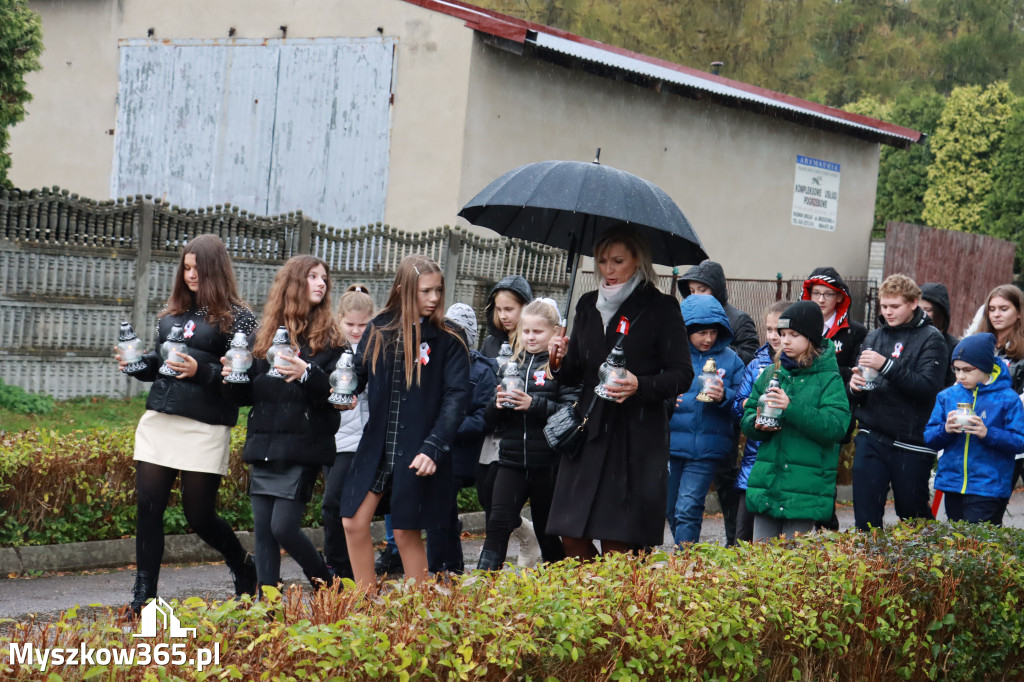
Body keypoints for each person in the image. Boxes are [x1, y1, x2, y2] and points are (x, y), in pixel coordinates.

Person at [117, 234, 257, 615]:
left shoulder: (239, 318)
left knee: (199, 516)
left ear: (215, 268)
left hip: (205, 426)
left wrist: (202, 371)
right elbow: (161, 365)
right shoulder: (171, 313)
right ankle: (143, 596)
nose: (189, 274)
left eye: (197, 267)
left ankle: (243, 565)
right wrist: (137, 364)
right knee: (148, 506)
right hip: (160, 421)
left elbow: (245, 383)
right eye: (186, 267)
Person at [547, 226, 692, 558]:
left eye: (617, 261)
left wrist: (640, 384)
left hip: (635, 436)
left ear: (637, 260)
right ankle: (594, 603)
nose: (608, 270)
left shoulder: (661, 308)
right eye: (601, 261)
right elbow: (575, 373)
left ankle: (619, 605)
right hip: (588, 430)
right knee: (570, 534)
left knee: (617, 543)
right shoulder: (586, 305)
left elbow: (683, 375)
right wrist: (557, 360)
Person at [340, 255, 470, 589]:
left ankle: (418, 614)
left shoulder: (449, 338)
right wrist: (341, 390)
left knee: (405, 530)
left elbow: (457, 399)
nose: (435, 298)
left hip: (419, 449)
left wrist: (434, 447)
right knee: (353, 522)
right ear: (403, 290)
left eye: (438, 290)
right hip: (379, 446)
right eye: (426, 291)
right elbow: (355, 376)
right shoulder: (379, 328)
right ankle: (365, 605)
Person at [224, 255, 344, 593]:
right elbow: (245, 396)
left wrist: (307, 373)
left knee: (283, 528)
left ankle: (327, 585)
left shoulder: (331, 341)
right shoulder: (260, 339)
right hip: (264, 446)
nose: (322, 283)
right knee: (263, 531)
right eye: (313, 277)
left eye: (324, 278)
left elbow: (337, 395)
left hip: (303, 447)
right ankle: (269, 611)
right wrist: (231, 377)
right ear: (293, 284)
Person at [478, 298, 578, 569]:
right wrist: (497, 405)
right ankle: (481, 596)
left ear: (555, 333)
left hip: (549, 464)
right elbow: (489, 419)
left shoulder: (562, 367)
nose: (530, 337)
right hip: (511, 460)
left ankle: (556, 595)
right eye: (526, 331)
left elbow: (571, 413)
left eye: (538, 331)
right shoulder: (511, 365)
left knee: (548, 534)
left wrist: (533, 405)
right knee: (497, 528)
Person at [741, 301, 850, 541]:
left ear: (811, 338)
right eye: (782, 334)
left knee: (791, 568)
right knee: (760, 563)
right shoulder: (772, 373)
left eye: (794, 335)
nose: (785, 341)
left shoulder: (829, 379)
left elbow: (836, 426)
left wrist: (791, 408)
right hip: (768, 484)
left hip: (805, 490)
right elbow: (749, 413)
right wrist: (755, 424)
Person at [849, 274, 947, 532]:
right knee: (866, 518)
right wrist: (856, 387)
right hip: (872, 434)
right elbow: (865, 381)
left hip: (912, 441)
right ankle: (870, 567)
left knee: (912, 515)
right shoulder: (874, 336)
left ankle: (925, 565)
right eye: (884, 306)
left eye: (895, 306)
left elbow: (927, 389)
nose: (888, 312)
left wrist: (887, 365)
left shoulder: (932, 338)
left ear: (914, 302)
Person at [677, 260, 758, 546]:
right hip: (678, 434)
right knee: (676, 504)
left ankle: (731, 543)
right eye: (692, 290)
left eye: (703, 289)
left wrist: (718, 356)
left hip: (715, 428)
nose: (697, 294)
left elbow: (749, 365)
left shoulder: (737, 323)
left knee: (715, 490)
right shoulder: (680, 340)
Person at [425, 302, 497, 574]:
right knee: (442, 512)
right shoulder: (436, 364)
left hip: (463, 455)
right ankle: (452, 567)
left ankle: (435, 570)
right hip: (438, 448)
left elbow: (484, 415)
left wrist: (450, 426)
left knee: (439, 510)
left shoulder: (481, 370)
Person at [667, 294, 744, 546]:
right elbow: (651, 387)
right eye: (701, 333)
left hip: (706, 450)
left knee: (688, 508)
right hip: (669, 446)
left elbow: (745, 402)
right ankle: (686, 554)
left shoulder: (732, 360)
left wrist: (725, 396)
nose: (708, 338)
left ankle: (684, 567)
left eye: (712, 332)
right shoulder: (671, 354)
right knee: (669, 508)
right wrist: (665, 400)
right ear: (685, 330)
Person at [476, 275, 542, 567]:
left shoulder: (533, 342)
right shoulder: (491, 343)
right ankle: (524, 532)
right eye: (499, 309)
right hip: (493, 428)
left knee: (498, 501)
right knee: (485, 494)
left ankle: (496, 555)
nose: (504, 316)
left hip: (520, 433)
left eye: (510, 309)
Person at [924, 333, 1024, 525]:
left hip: (988, 486)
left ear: (986, 367)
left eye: (968, 370)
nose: (961, 376)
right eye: (956, 370)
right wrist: (946, 430)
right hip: (953, 484)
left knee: (976, 544)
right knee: (960, 542)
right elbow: (929, 437)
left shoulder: (1007, 398)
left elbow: (1020, 441)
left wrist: (988, 434)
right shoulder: (947, 396)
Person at [322, 284, 376, 583]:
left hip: (357, 441)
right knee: (338, 506)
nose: (356, 330)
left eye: (363, 324)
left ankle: (337, 567)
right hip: (331, 436)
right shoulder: (330, 347)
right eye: (350, 324)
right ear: (338, 319)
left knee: (333, 503)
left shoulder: (374, 349)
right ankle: (345, 568)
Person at [732, 300, 790, 543]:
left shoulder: (798, 368)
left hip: (784, 464)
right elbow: (737, 405)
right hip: (753, 464)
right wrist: (759, 406)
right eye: (768, 329)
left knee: (778, 541)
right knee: (743, 537)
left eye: (780, 330)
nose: (773, 336)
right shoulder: (756, 364)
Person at [976, 285, 1024, 498]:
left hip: (1014, 432)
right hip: (981, 430)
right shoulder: (977, 343)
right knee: (983, 503)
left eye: (1004, 308)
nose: (996, 314)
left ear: (1019, 312)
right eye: (992, 308)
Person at [800, 267, 868, 383]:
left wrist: (816, 370)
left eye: (828, 294)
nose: (821, 300)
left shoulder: (856, 331)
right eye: (816, 293)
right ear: (809, 295)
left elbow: (857, 372)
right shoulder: (798, 327)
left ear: (840, 297)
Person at [919, 283, 960, 387]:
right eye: (918, 309)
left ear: (940, 313)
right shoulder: (909, 340)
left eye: (927, 310)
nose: (921, 314)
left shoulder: (954, 346)